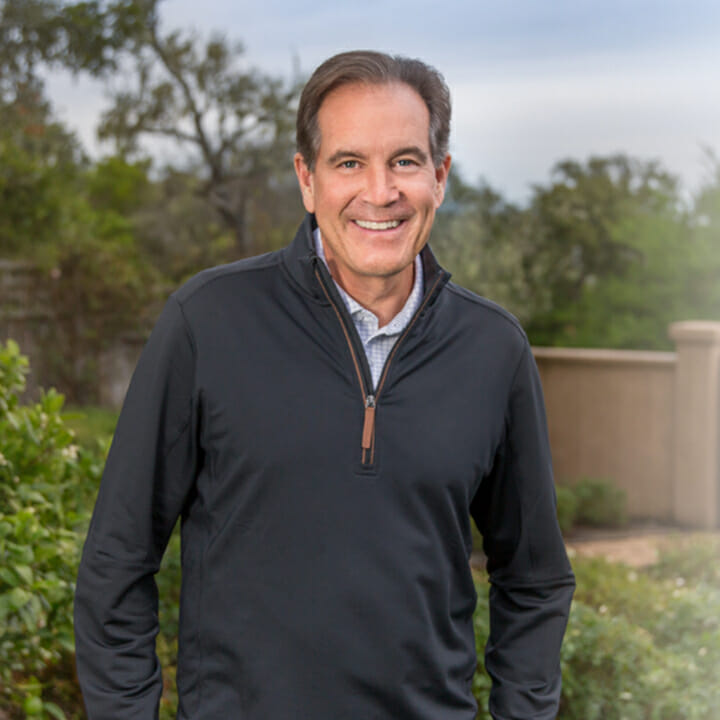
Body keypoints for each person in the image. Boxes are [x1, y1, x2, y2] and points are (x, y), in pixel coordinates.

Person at [74, 50, 575, 720]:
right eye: (348, 162)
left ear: (440, 176)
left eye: (404, 160)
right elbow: (117, 560)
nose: (379, 192)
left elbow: (535, 578)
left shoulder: (494, 350)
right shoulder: (208, 324)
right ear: (307, 180)